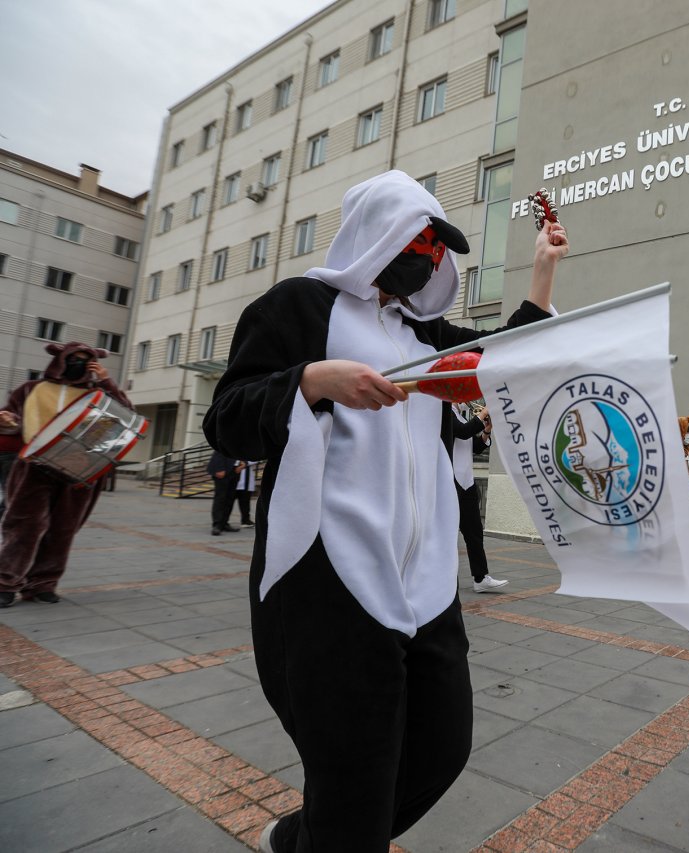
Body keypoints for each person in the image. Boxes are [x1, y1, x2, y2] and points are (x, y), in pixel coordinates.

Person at [203, 170, 566, 852]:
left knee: (442, 749)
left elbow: (501, 357)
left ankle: (308, 837)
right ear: (378, 234)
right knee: (355, 781)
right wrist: (313, 381)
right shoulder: (297, 307)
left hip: (427, 584)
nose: (429, 258)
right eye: (420, 242)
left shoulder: (425, 333)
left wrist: (542, 273)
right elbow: (226, 419)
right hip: (332, 580)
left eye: (437, 250)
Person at [0, 344, 131, 607]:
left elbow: (126, 414)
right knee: (24, 525)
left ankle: (43, 584)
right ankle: (6, 582)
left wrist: (106, 380)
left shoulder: (97, 393)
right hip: (34, 466)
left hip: (80, 468)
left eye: (85, 360)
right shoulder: (31, 389)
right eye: (73, 359)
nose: (78, 364)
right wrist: (7, 420)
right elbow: (13, 418)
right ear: (60, 360)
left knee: (63, 529)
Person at [450, 401, 507, 593]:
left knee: (474, 533)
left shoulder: (459, 415)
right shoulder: (444, 412)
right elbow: (463, 432)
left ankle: (481, 578)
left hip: (466, 482)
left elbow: (473, 446)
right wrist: (483, 414)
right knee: (447, 535)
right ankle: (443, 580)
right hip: (450, 482)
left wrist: (487, 431)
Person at [206, 450, 239, 535]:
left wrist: (244, 463)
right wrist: (219, 468)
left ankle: (224, 523)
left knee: (230, 499)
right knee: (220, 498)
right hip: (223, 469)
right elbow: (219, 450)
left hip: (235, 470)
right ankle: (217, 525)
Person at [235, 460, 257, 527]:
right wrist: (239, 463)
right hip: (234, 478)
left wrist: (245, 463)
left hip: (246, 481)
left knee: (245, 501)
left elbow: (256, 459)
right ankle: (222, 522)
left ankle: (245, 520)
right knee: (227, 502)